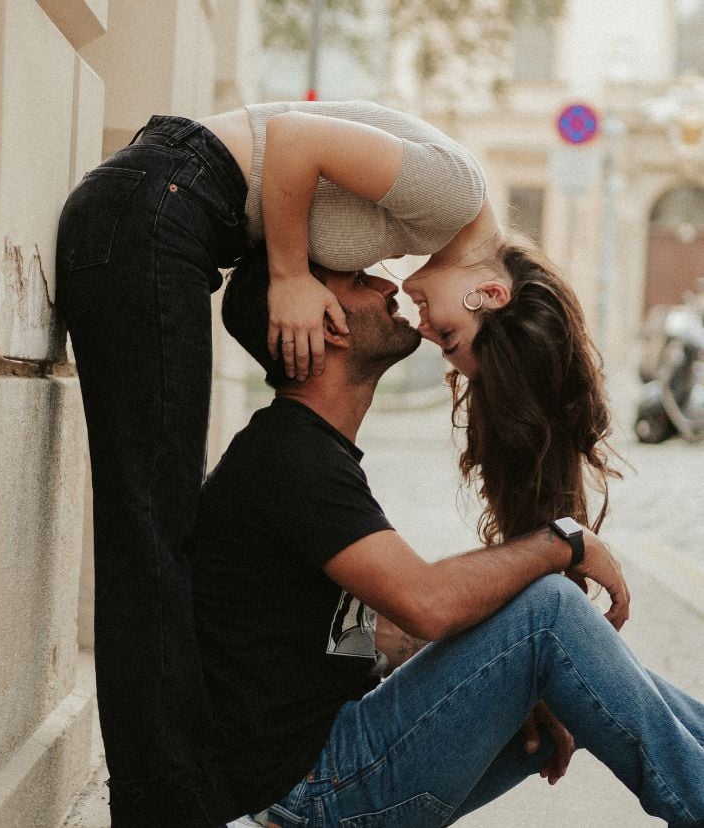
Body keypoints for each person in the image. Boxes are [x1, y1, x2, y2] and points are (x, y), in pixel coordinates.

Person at [54, 100, 494, 825]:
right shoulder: (454, 196)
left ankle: (172, 798)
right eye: (456, 336)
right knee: (149, 542)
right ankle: (161, 807)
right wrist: (290, 274)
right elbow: (292, 135)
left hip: (165, 208)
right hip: (159, 206)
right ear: (491, 292)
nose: (415, 306)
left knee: (157, 535)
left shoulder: (435, 211)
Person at [188, 244, 704, 827]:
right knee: (551, 614)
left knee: (589, 659)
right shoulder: (290, 456)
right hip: (312, 792)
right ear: (320, 325)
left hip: (329, 770)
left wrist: (524, 671)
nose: (390, 288)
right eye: (359, 281)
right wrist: (564, 541)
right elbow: (428, 605)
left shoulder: (306, 450)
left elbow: (374, 632)